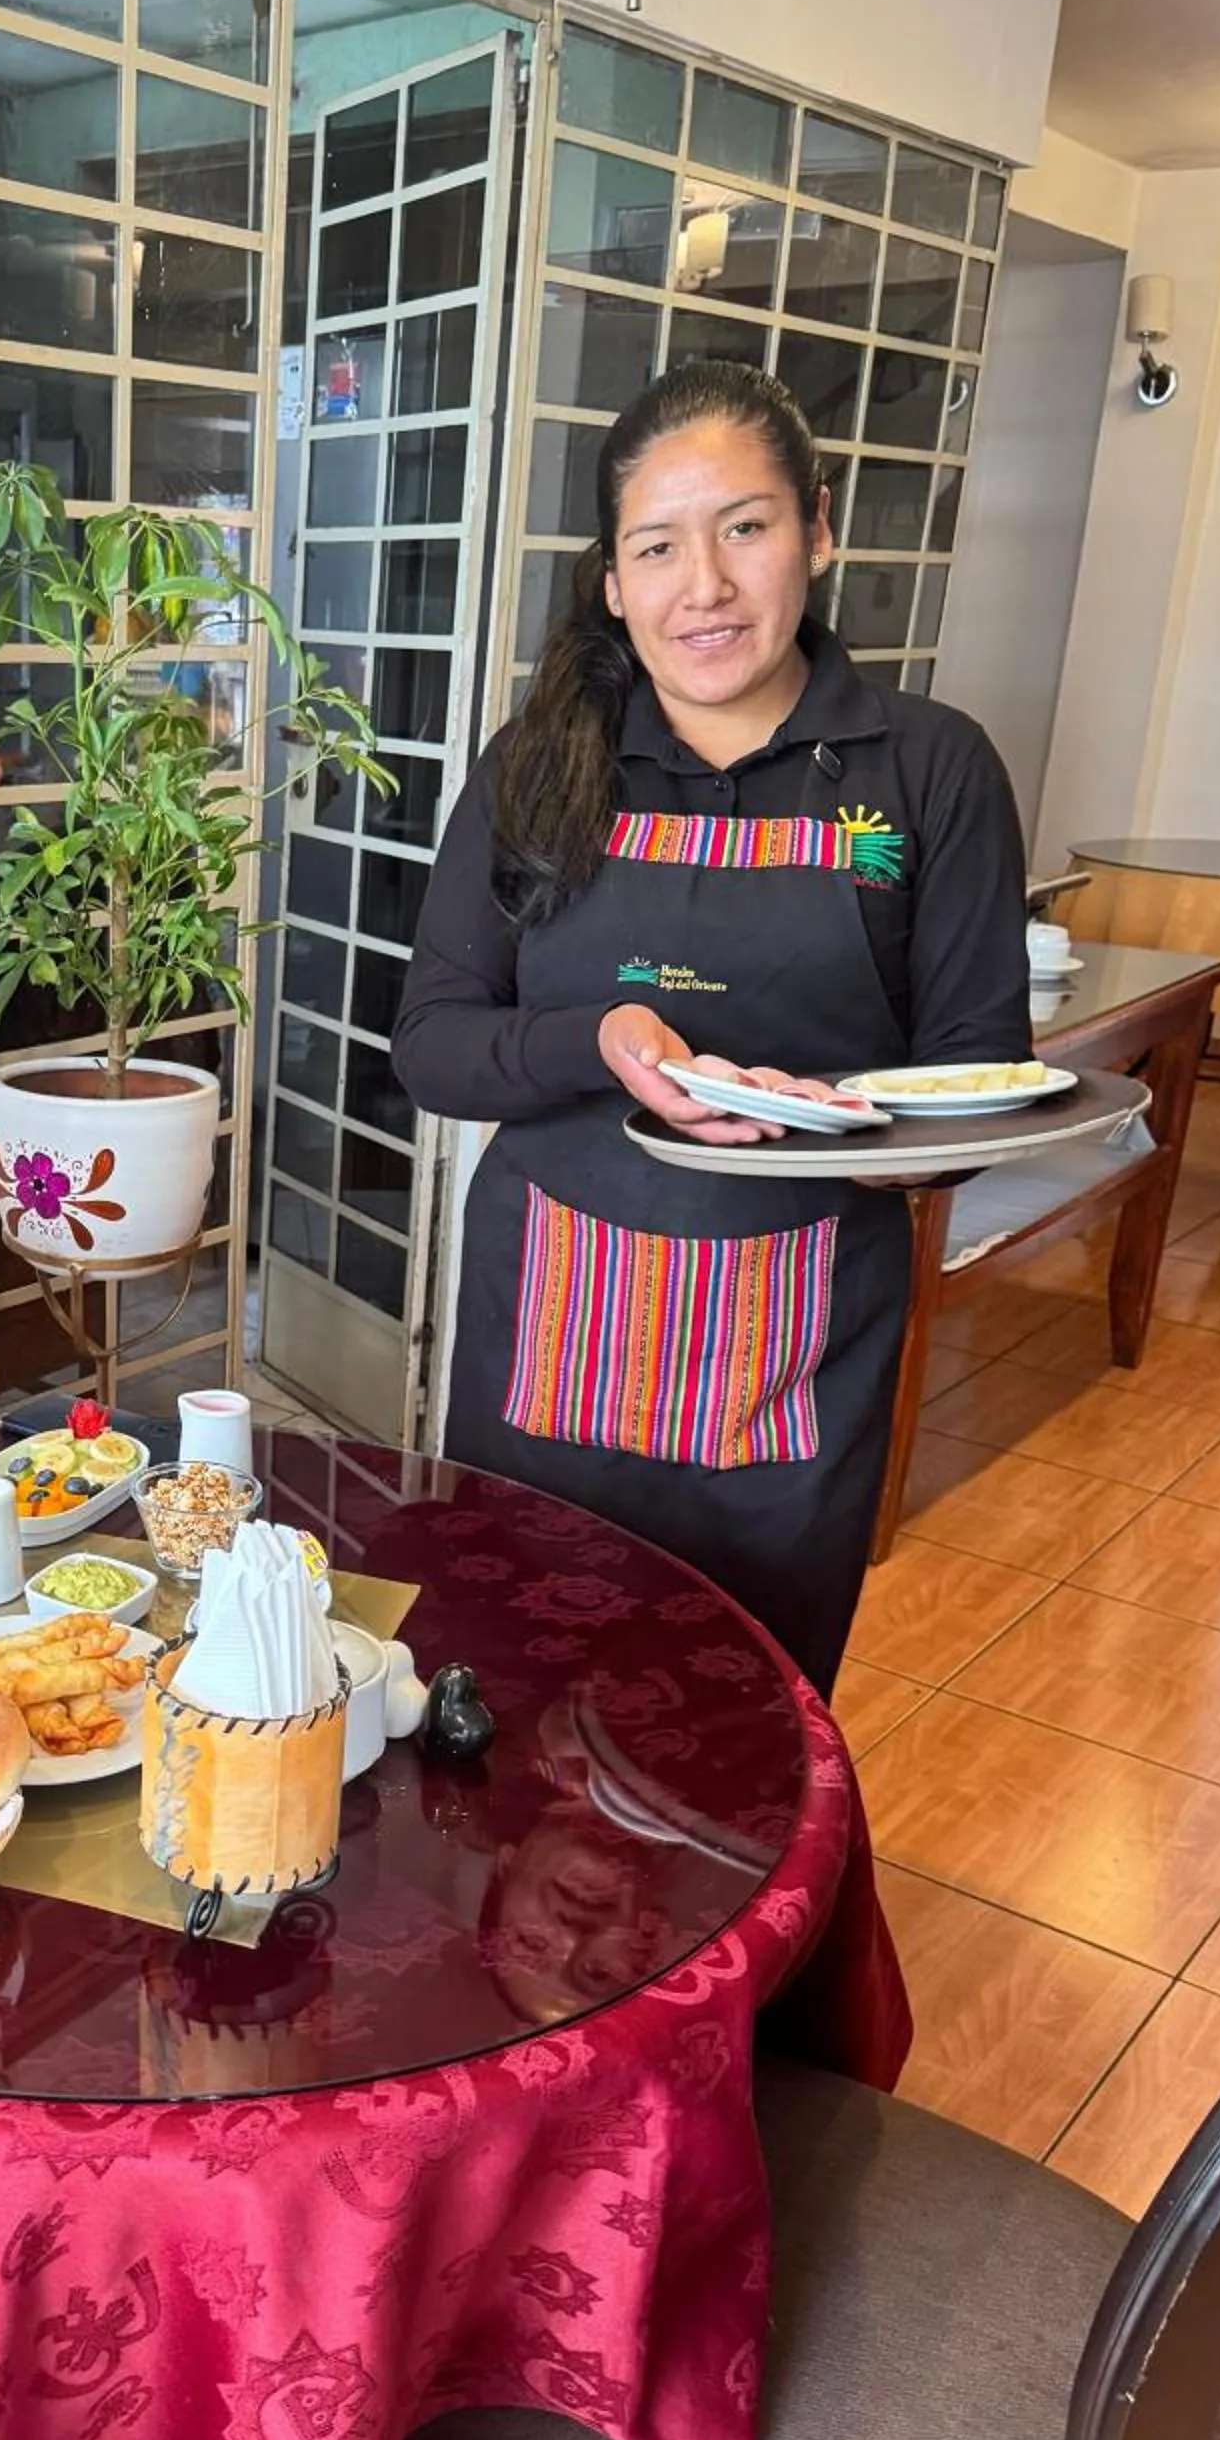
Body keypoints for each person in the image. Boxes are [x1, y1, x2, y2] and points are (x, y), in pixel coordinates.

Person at [393, 362, 1028, 1693]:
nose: (706, 586)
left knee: (745, 1715)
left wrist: (879, 1139)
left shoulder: (928, 769)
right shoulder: (536, 768)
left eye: (745, 527)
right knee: (507, 1690)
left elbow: (976, 1069)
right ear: (613, 583)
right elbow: (435, 1045)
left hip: (796, 1352)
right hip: (549, 1328)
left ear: (816, 530)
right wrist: (596, 1040)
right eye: (657, 547)